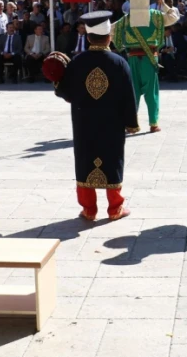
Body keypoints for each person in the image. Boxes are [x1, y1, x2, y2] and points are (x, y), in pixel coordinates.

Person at [56, 11, 139, 220]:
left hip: (84, 122)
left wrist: (57, 78)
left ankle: (89, 209)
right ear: (109, 36)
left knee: (85, 159)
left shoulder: (77, 62)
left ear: (88, 36)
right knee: (112, 160)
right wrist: (131, 123)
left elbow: (64, 92)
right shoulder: (119, 62)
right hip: (112, 123)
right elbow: (129, 96)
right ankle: (115, 208)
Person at [111, 0, 181, 132]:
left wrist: (118, 44)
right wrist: (163, 4)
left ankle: (131, 123)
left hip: (133, 58)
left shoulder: (127, 19)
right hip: (150, 58)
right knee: (151, 92)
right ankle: (153, 123)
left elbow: (111, 30)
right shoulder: (156, 15)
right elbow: (174, 16)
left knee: (133, 91)